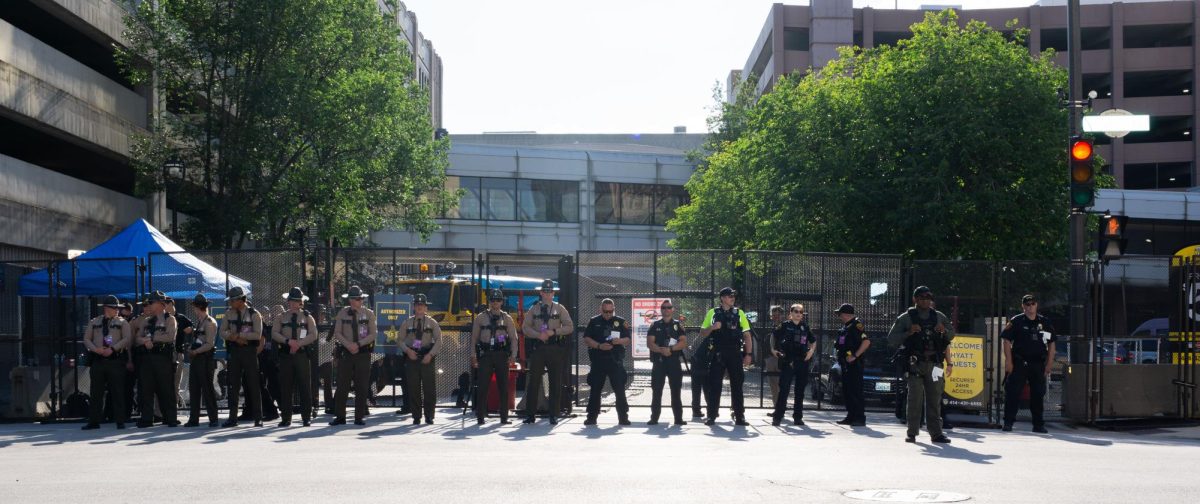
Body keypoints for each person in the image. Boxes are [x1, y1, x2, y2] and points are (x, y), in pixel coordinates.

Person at [887, 286, 953, 443]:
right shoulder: (906, 318)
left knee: (934, 400)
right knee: (914, 399)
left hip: (935, 364)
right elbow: (891, 339)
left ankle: (936, 433)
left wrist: (943, 330)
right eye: (922, 298)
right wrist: (908, 332)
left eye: (928, 298)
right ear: (914, 299)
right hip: (915, 363)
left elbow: (951, 334)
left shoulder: (938, 316)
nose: (925, 301)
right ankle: (912, 432)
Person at [521, 279, 574, 424]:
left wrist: (554, 331)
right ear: (540, 292)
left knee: (555, 382)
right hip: (538, 348)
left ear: (553, 293)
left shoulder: (559, 308)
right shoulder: (534, 309)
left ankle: (554, 414)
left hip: (555, 349)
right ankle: (530, 415)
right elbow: (525, 327)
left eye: (550, 291)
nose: (547, 294)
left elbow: (570, 327)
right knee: (534, 382)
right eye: (545, 291)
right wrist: (538, 335)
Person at [1001, 294, 1055, 433]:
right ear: (1023, 306)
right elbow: (1006, 340)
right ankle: (1008, 423)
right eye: (1027, 304)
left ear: (1036, 305)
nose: (1030, 307)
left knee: (1038, 394)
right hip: (1019, 363)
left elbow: (1052, 343)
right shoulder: (1016, 321)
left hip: (1038, 364)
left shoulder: (1045, 322)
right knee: (1013, 393)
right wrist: (1009, 361)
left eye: (1032, 304)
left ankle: (1038, 425)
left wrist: (1049, 364)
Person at [700, 287, 753, 426]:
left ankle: (739, 415)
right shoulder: (713, 313)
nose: (732, 298)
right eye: (730, 296)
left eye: (733, 296)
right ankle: (711, 415)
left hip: (735, 353)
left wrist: (748, 354)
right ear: (722, 298)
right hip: (718, 352)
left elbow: (747, 335)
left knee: (737, 385)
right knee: (715, 385)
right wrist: (712, 328)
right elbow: (702, 332)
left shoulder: (739, 313)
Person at [82, 295, 130, 430]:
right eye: (115, 308)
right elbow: (86, 338)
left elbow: (127, 339)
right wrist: (95, 349)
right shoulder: (95, 321)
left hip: (115, 360)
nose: (117, 310)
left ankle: (120, 420)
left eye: (118, 308)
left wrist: (113, 349)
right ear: (106, 308)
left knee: (117, 391)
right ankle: (94, 421)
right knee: (96, 392)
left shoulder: (122, 323)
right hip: (98, 360)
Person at [582, 298, 632, 426]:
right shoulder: (594, 321)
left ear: (614, 309)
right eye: (605, 311)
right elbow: (587, 338)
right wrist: (599, 346)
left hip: (615, 361)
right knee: (595, 390)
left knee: (620, 390)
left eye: (610, 311)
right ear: (601, 309)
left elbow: (627, 339)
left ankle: (623, 417)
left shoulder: (621, 322)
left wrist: (619, 341)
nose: (608, 314)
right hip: (598, 360)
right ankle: (592, 417)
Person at [331, 285, 376, 426]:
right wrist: (348, 345)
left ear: (361, 300)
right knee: (342, 386)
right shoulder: (342, 313)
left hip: (362, 354)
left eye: (357, 298)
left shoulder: (368, 314)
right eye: (352, 298)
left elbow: (373, 334)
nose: (354, 301)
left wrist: (358, 344)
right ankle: (340, 417)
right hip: (346, 353)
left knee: (361, 386)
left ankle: (359, 417)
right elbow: (337, 332)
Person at [471, 289, 517, 425]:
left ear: (502, 302)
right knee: (482, 386)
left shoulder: (507, 318)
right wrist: (473, 355)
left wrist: (513, 356)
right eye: (492, 300)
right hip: (486, 355)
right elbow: (474, 338)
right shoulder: (481, 317)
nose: (495, 303)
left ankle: (504, 417)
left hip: (501, 355)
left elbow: (514, 338)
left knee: (503, 387)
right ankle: (480, 416)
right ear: (489, 302)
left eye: (498, 300)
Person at [272, 288, 318, 427]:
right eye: (292, 301)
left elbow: (313, 334)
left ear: (301, 302)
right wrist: (288, 342)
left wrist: (298, 343)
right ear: (288, 301)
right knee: (286, 388)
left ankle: (306, 417)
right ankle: (286, 418)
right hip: (286, 355)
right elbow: (274, 333)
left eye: (297, 301)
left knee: (305, 387)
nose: (294, 304)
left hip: (301, 355)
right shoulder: (281, 317)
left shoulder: (307, 317)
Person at [221, 286, 264, 427]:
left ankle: (258, 417)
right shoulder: (229, 314)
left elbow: (257, 334)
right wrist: (233, 338)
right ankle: (232, 418)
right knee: (233, 385)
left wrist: (240, 335)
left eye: (232, 301)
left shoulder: (254, 314)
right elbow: (222, 332)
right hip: (234, 351)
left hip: (249, 351)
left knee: (253, 384)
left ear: (240, 300)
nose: (230, 304)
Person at [135, 291, 179, 427]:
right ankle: (147, 418)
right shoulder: (147, 321)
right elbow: (137, 339)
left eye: (152, 303)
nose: (150, 305)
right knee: (146, 389)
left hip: (163, 358)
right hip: (148, 358)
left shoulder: (170, 319)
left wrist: (152, 339)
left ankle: (170, 417)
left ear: (161, 304)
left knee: (166, 389)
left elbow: (170, 337)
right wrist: (144, 341)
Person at [398, 293, 443, 424]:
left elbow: (439, 341)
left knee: (429, 389)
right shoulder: (407, 322)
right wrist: (407, 350)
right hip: (412, 358)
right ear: (414, 307)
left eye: (422, 305)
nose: (419, 307)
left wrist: (430, 355)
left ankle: (429, 416)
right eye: (417, 305)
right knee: (414, 388)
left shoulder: (432, 323)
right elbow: (399, 340)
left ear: (426, 307)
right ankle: (416, 416)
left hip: (426, 358)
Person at [770, 303, 815, 426]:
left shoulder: (805, 327)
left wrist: (811, 351)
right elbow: (773, 336)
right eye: (796, 311)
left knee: (800, 391)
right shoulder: (784, 326)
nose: (798, 314)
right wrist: (773, 350)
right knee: (784, 390)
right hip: (788, 361)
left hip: (802, 362)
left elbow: (813, 341)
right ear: (791, 313)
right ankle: (778, 417)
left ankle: (798, 418)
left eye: (801, 312)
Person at [646, 299, 687, 426]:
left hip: (674, 361)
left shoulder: (678, 325)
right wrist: (661, 350)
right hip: (659, 362)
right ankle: (654, 418)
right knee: (657, 391)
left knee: (676, 391)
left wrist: (670, 349)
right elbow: (650, 343)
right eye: (663, 307)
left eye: (669, 307)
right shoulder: (655, 325)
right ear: (661, 310)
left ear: (673, 309)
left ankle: (678, 419)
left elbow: (683, 342)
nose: (666, 309)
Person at [184, 294, 219, 427]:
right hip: (197, 359)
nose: (193, 310)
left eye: (195, 307)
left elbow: (209, 343)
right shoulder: (200, 322)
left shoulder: (210, 322)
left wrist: (196, 351)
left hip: (205, 359)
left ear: (199, 307)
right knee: (194, 389)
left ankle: (213, 418)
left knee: (207, 389)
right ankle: (194, 419)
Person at [834, 303, 869, 428]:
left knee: (856, 391)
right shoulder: (846, 327)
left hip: (854, 364)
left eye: (840, 314)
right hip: (845, 364)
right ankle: (851, 416)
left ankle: (859, 418)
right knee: (847, 391)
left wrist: (855, 356)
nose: (839, 316)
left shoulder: (857, 326)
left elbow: (866, 342)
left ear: (846, 314)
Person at [166, 298, 191, 410]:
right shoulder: (163, 318)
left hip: (178, 353)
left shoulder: (180, 318)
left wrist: (189, 331)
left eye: (165, 304)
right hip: (164, 354)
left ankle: (174, 407)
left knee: (176, 383)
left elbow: (192, 328)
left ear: (171, 304)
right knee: (165, 382)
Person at [764, 305, 785, 407]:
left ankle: (781, 407)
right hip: (770, 358)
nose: (776, 316)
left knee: (781, 384)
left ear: (782, 315)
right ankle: (776, 406)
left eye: (778, 314)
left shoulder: (786, 327)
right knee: (773, 384)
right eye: (773, 314)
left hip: (782, 358)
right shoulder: (768, 327)